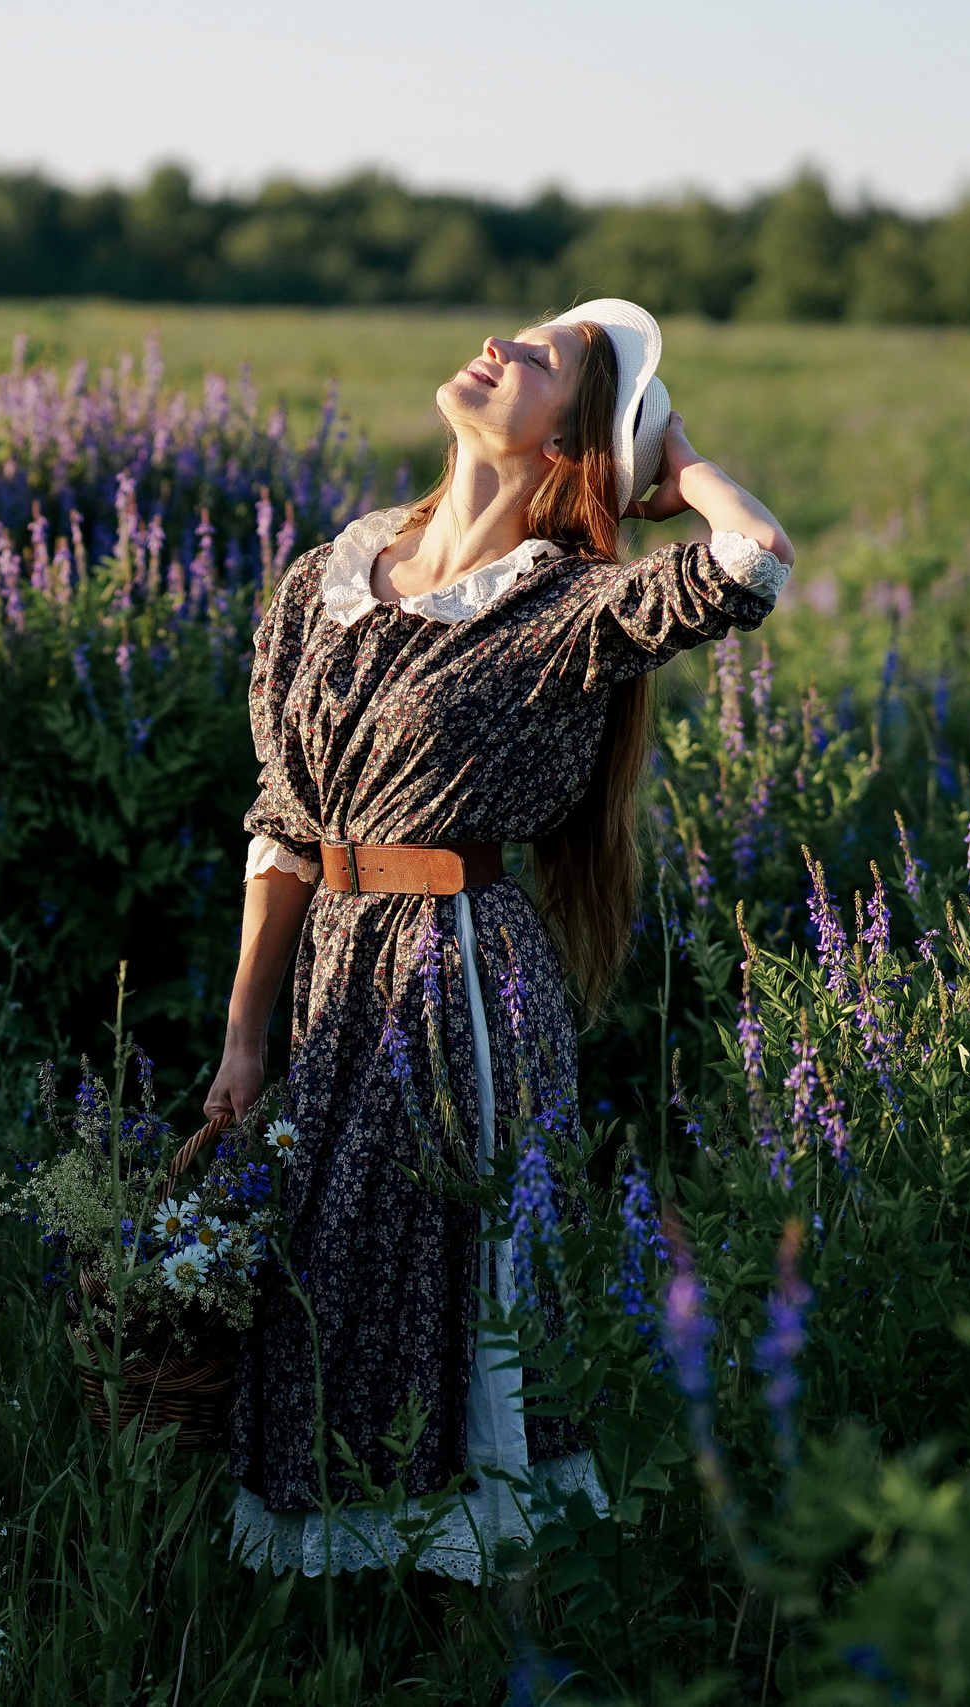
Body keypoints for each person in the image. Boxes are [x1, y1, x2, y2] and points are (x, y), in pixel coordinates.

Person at [204, 299, 791, 1587]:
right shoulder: (321, 585)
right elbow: (282, 830)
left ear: (572, 441)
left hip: (458, 969)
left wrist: (666, 455)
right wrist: (246, 1035)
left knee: (444, 1254)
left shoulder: (571, 609)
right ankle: (340, 1574)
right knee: (330, 1250)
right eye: (520, 330)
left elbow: (753, 559)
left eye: (549, 359)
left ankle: (472, 1570)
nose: (504, 344)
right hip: (334, 976)